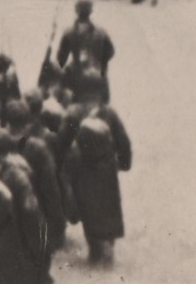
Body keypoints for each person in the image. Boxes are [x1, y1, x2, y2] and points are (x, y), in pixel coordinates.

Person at [56, 73, 132, 265]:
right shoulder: (109, 112)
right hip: (106, 167)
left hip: (83, 168)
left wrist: (62, 165)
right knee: (109, 205)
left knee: (88, 207)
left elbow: (61, 141)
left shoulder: (74, 113)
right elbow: (123, 140)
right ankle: (109, 245)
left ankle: (95, 249)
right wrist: (124, 162)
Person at [57, 0, 114, 86]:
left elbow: (61, 58)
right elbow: (110, 52)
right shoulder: (101, 32)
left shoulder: (69, 33)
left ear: (76, 11)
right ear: (91, 11)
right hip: (97, 75)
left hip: (76, 75)